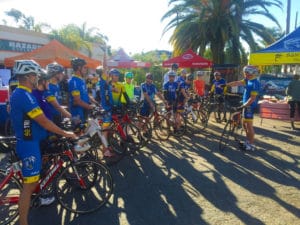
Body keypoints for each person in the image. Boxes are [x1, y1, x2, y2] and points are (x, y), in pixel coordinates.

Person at [10, 60, 76, 225]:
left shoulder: (25, 93)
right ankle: (23, 223)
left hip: (32, 141)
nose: (37, 78)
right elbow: (44, 122)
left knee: (33, 182)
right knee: (29, 187)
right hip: (28, 144)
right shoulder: (23, 94)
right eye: (35, 75)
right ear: (28, 76)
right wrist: (65, 133)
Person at [226, 65, 260, 151]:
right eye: (244, 73)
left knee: (249, 126)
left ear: (251, 73)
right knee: (244, 125)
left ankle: (251, 144)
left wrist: (244, 106)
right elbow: (237, 83)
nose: (245, 75)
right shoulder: (247, 80)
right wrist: (226, 85)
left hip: (249, 107)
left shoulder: (255, 83)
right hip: (245, 105)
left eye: (246, 73)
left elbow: (252, 98)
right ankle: (248, 141)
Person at [68, 58, 96, 122]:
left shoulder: (81, 80)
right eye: (84, 67)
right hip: (78, 113)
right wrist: (90, 107)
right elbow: (78, 101)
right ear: (79, 68)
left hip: (84, 110)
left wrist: (95, 102)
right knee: (80, 131)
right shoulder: (74, 81)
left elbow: (86, 94)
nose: (86, 69)